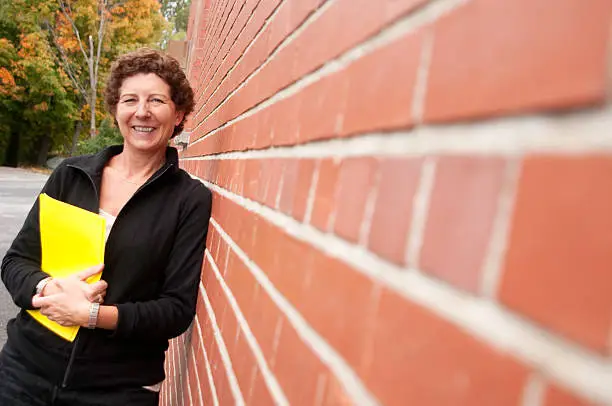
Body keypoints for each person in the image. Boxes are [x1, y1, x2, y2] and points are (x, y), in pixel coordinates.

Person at [0, 48, 212, 405]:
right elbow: (15, 261)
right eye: (130, 99)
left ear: (178, 115)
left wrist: (92, 315)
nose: (141, 111)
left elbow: (176, 309)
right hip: (24, 371)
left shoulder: (189, 199)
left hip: (117, 389)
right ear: (116, 109)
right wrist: (48, 287)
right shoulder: (71, 175)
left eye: (156, 100)